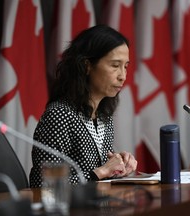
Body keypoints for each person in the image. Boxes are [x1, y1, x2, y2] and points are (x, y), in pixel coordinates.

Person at [29, 24, 137, 186]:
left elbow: (100, 180)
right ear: (87, 66)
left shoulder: (103, 116)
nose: (123, 76)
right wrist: (100, 172)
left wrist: (120, 167)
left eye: (126, 67)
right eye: (115, 66)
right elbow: (44, 184)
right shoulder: (60, 115)